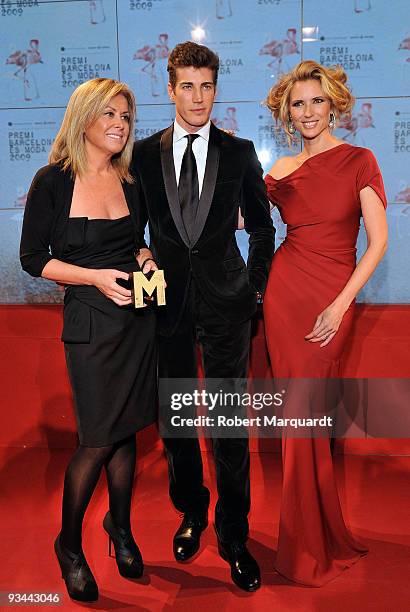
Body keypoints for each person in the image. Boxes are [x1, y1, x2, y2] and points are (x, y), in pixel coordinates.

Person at [132, 41, 275, 592]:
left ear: (216, 90)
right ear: (170, 90)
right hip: (165, 307)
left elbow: (262, 229)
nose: (197, 97)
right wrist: (141, 258)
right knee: (176, 424)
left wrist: (253, 289)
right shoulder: (144, 155)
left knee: (229, 425)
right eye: (186, 86)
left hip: (227, 308)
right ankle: (191, 511)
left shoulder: (238, 153)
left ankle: (233, 534)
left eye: (206, 86)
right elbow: (135, 233)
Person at [20, 78, 157, 602]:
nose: (120, 124)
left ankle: (119, 528)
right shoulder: (52, 181)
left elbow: (136, 242)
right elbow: (34, 260)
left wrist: (144, 260)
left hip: (135, 324)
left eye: (126, 116)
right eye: (109, 115)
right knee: (98, 438)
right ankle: (69, 546)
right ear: (83, 120)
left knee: (126, 434)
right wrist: (96, 277)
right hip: (90, 325)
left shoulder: (130, 182)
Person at [263, 60, 388, 586]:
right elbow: (238, 216)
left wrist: (340, 306)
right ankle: (306, 544)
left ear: (333, 103)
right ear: (286, 114)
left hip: (331, 299)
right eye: (298, 103)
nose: (309, 111)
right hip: (285, 295)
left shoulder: (359, 160)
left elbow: (377, 242)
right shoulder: (281, 172)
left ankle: (315, 540)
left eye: (317, 101)